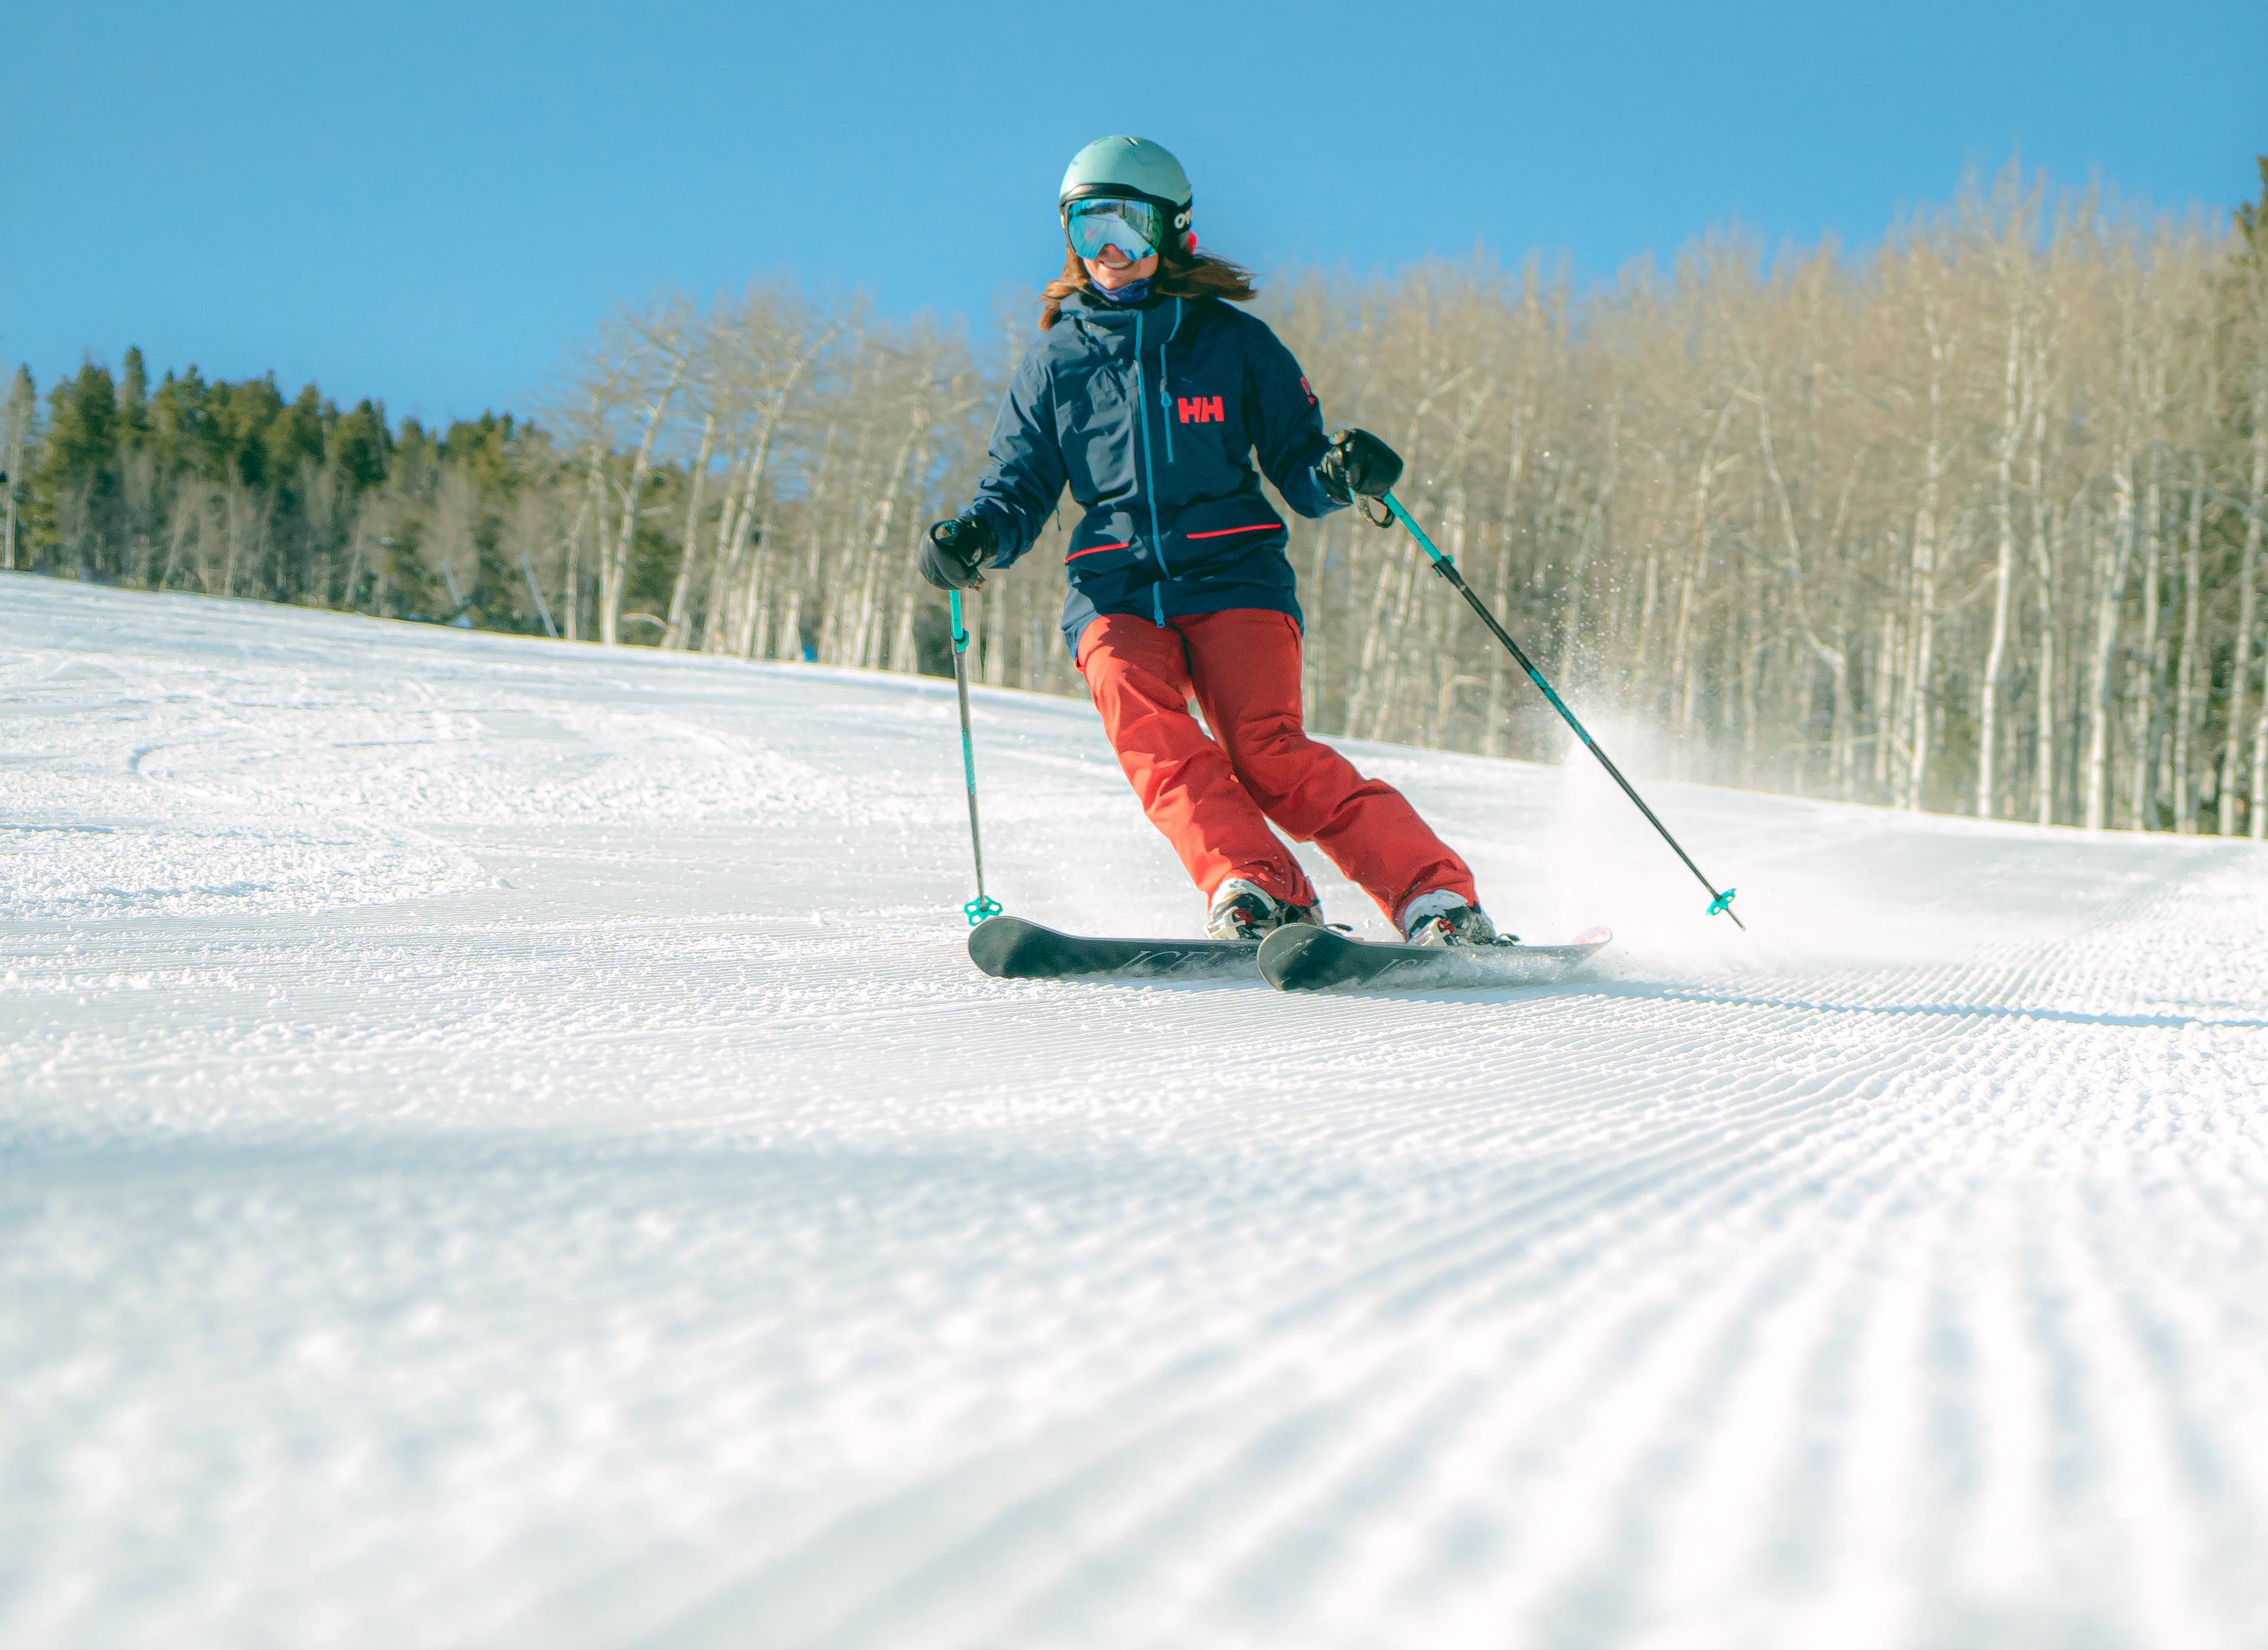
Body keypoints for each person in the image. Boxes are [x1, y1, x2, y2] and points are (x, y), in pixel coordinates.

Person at [920, 135, 1502, 948]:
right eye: (1087, 231)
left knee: (1269, 755)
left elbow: (1301, 467)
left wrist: (1342, 470)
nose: (1109, 253)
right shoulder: (1056, 363)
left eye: (1127, 229)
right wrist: (977, 535)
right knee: (1147, 726)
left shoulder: (1234, 345)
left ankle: (1436, 899)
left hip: (1235, 577)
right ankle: (1258, 887)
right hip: (1114, 586)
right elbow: (1017, 486)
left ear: (1173, 231)